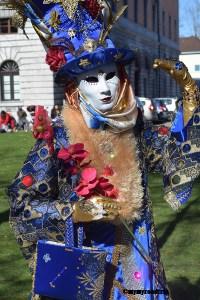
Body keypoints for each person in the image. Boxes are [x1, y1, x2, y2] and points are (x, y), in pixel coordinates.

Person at [7, 1, 200, 300]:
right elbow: (22, 201)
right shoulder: (58, 138)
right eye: (91, 80)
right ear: (75, 88)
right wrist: (72, 211)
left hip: (137, 258)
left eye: (110, 75)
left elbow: (174, 155)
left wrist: (189, 97)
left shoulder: (133, 127)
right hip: (87, 265)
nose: (105, 88)